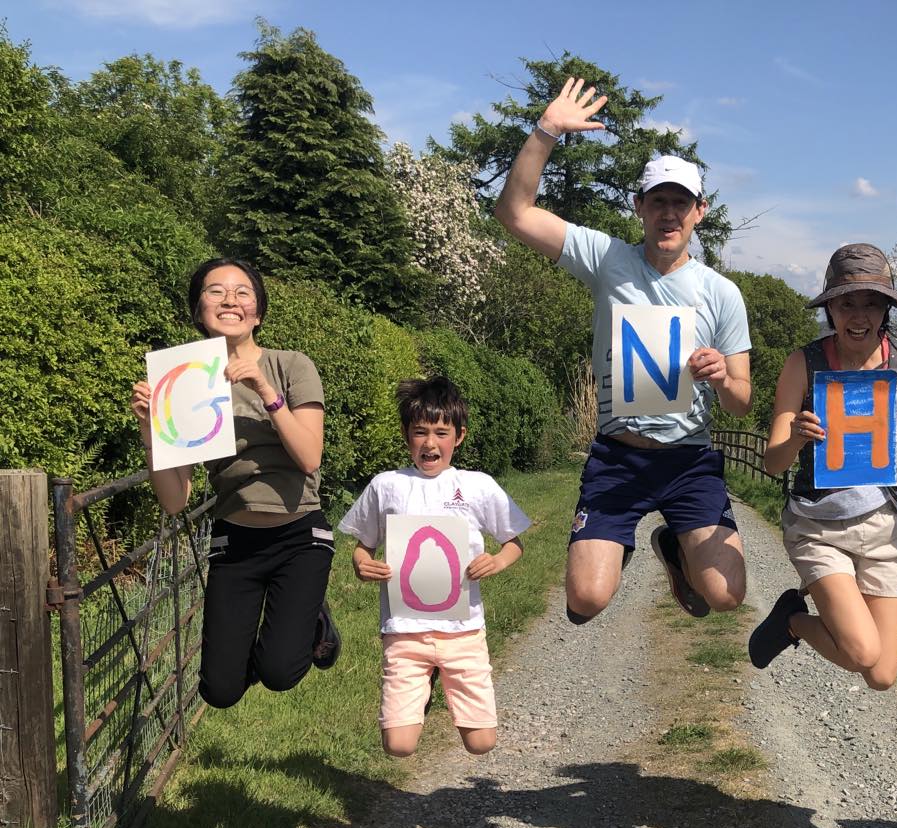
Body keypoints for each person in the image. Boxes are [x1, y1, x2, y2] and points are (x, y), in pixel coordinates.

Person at [495, 77, 752, 625]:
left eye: (680, 203)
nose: (669, 214)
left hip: (689, 458)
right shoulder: (607, 258)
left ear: (699, 212)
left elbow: (742, 403)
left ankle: (677, 551)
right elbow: (514, 213)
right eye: (658, 201)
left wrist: (723, 378)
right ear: (639, 206)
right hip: (619, 454)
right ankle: (626, 545)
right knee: (584, 601)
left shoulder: (721, 293)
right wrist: (546, 131)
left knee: (727, 595)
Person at [131, 257, 340, 709]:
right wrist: (151, 433)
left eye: (243, 291)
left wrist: (266, 391)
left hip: (299, 534)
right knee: (220, 691)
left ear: (258, 312)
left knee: (280, 672)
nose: (230, 299)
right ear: (198, 309)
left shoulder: (291, 366)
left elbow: (309, 456)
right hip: (234, 540)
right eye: (215, 290)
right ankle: (294, 621)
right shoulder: (184, 380)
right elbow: (174, 500)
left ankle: (311, 622)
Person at [747, 244, 897, 691]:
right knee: (861, 652)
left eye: (871, 301)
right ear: (830, 308)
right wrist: (795, 436)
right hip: (819, 525)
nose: (859, 314)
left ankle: (794, 620)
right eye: (846, 302)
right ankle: (794, 622)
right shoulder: (803, 364)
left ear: (886, 307)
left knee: (882, 675)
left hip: (888, 524)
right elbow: (773, 463)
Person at [338, 377, 530, 757]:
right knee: (399, 746)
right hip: (405, 631)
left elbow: (514, 544)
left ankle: (433, 684)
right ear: (406, 435)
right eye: (420, 432)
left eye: (441, 432)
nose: (430, 443)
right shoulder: (386, 485)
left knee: (482, 743)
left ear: (459, 436)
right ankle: (419, 693)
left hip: (463, 631)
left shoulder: (477, 485)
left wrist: (496, 560)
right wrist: (363, 564)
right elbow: (362, 548)